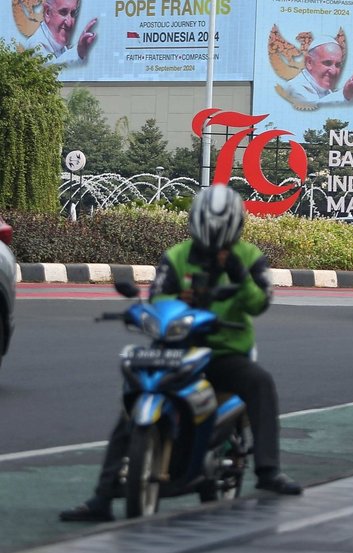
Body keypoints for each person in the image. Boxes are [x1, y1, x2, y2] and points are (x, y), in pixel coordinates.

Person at [60, 184, 302, 523]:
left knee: (260, 383)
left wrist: (237, 274)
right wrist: (178, 304)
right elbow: (158, 297)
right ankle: (102, 496)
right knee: (131, 404)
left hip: (224, 353)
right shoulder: (176, 256)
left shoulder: (249, 257)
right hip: (176, 348)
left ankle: (268, 470)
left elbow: (259, 302)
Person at [26, 0, 97, 66]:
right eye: (63, 12)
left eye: (72, 13)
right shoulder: (35, 46)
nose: (69, 22)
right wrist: (78, 51)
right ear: (47, 12)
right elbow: (51, 74)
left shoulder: (60, 47)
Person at [279, 37, 353, 109]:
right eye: (327, 63)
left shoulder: (327, 92)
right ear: (309, 62)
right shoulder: (294, 88)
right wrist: (344, 94)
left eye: (338, 65)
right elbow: (314, 109)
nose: (334, 71)